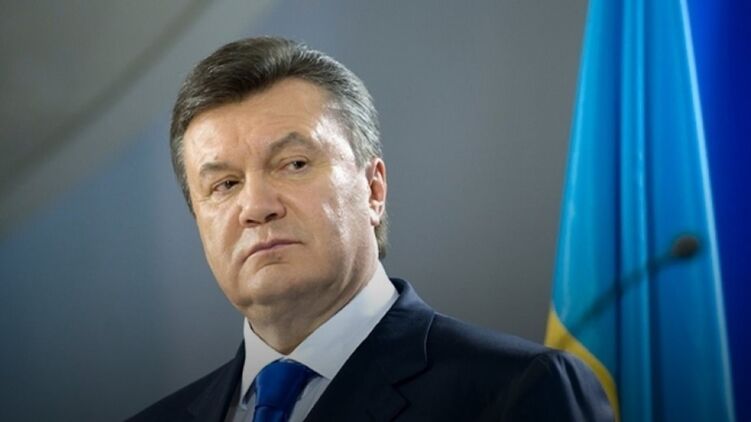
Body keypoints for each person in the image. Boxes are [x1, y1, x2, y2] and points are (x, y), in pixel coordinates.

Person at [128, 36, 613, 422]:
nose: (256, 207)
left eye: (294, 164)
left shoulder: (520, 390)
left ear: (373, 189)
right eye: (226, 184)